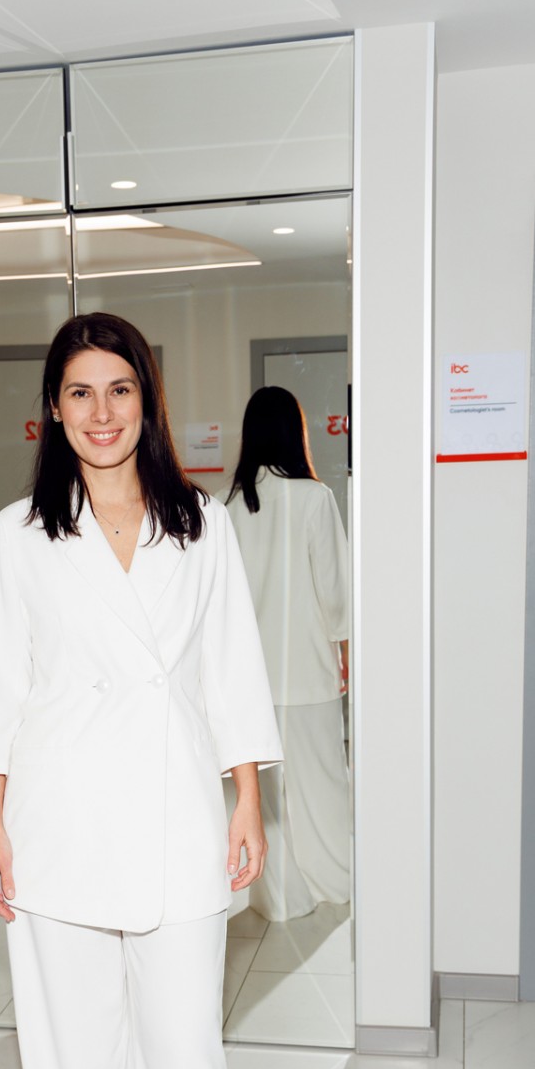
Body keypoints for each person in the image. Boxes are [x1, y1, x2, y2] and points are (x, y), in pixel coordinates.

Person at [0, 312, 286, 1069]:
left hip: (174, 819)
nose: (101, 412)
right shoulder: (19, 535)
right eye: (79, 392)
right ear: (52, 411)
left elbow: (231, 669)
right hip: (55, 826)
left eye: (119, 390)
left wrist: (245, 797)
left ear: (146, 402)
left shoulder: (200, 524)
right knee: (79, 1065)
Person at [223, 386, 350, 923]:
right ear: (295, 433)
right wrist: (344, 651)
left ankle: (276, 897)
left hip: (249, 681)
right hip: (309, 672)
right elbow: (336, 591)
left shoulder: (227, 507)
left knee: (263, 800)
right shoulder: (314, 498)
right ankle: (336, 882)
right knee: (323, 787)